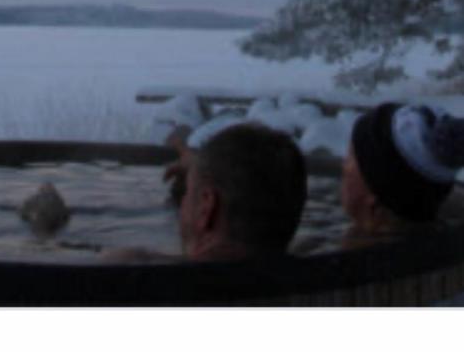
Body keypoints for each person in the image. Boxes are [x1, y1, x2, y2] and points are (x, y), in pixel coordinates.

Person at [102, 122, 307, 262]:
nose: (182, 204)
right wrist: (201, 172)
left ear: (206, 207)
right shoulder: (316, 273)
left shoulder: (136, 274)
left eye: (187, 195)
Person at [341, 102, 464, 240]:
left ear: (375, 208)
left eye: (349, 159)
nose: (343, 167)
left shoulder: (361, 258)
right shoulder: (440, 249)